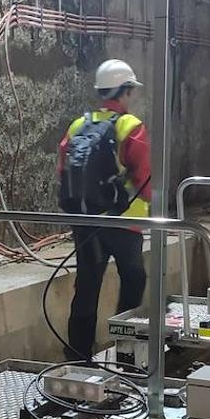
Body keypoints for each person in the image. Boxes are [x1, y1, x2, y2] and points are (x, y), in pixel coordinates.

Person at [57, 58, 152, 361]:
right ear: (124, 91)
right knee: (134, 281)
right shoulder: (131, 126)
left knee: (87, 286)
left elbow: (63, 169)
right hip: (124, 224)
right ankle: (126, 355)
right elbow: (145, 179)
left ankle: (76, 356)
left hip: (86, 223)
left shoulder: (78, 125)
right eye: (130, 91)